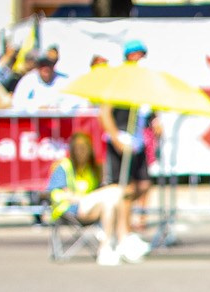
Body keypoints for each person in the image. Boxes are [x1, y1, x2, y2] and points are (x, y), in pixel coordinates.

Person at [98, 39, 156, 262]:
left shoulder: (143, 83)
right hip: (121, 138)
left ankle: (124, 228)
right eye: (138, 55)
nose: (141, 59)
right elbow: (105, 113)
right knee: (124, 189)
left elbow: (146, 111)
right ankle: (123, 235)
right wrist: (115, 137)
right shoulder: (118, 81)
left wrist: (155, 120)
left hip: (137, 140)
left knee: (142, 185)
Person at [48, 130, 136, 266]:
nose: (81, 152)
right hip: (69, 210)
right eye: (78, 148)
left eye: (84, 148)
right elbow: (58, 194)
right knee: (116, 191)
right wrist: (80, 198)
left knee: (109, 203)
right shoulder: (64, 167)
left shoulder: (92, 169)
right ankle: (123, 239)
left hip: (90, 209)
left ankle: (105, 248)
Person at [13, 50, 79, 112]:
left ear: (53, 66)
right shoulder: (28, 80)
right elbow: (17, 103)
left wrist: (58, 108)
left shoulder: (63, 80)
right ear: (37, 67)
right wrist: (37, 107)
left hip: (58, 121)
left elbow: (75, 101)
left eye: (49, 65)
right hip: (35, 121)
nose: (45, 68)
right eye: (42, 65)